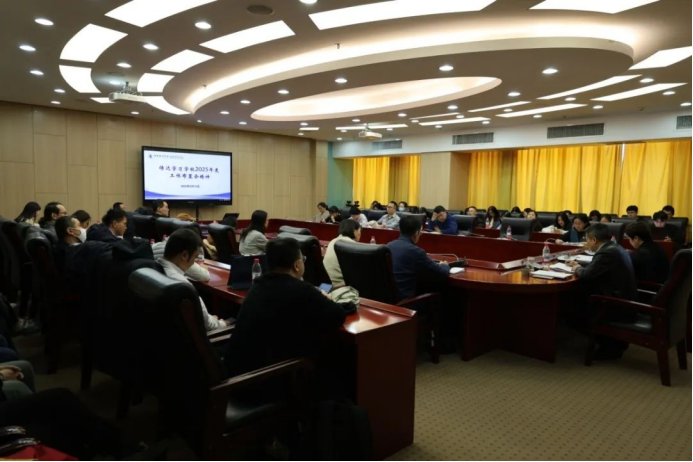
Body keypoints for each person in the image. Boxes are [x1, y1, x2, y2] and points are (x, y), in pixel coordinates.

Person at [224, 237, 347, 378]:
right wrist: (325, 298)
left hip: (238, 368)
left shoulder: (258, 284)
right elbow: (338, 315)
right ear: (296, 265)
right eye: (303, 259)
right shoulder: (301, 290)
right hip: (262, 379)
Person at [565, 223, 637, 360]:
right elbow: (598, 267)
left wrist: (577, 268)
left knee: (570, 309)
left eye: (586, 239)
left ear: (594, 240)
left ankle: (609, 345)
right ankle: (613, 343)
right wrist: (581, 266)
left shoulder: (605, 252)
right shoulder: (615, 247)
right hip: (625, 299)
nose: (585, 242)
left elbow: (587, 275)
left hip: (616, 305)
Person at [159, 229, 227, 331]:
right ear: (184, 255)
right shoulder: (183, 286)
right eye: (195, 257)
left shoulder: (154, 268)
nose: (194, 262)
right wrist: (223, 323)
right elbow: (208, 325)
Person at [388, 215, 450, 300]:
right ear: (416, 233)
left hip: (386, 300)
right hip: (406, 302)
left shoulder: (388, 246)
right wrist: (444, 265)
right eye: (421, 231)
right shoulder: (416, 252)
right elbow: (441, 273)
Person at [324, 220, 361, 286]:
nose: (360, 234)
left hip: (327, 282)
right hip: (341, 285)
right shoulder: (352, 245)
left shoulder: (333, 241)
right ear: (354, 231)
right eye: (359, 231)